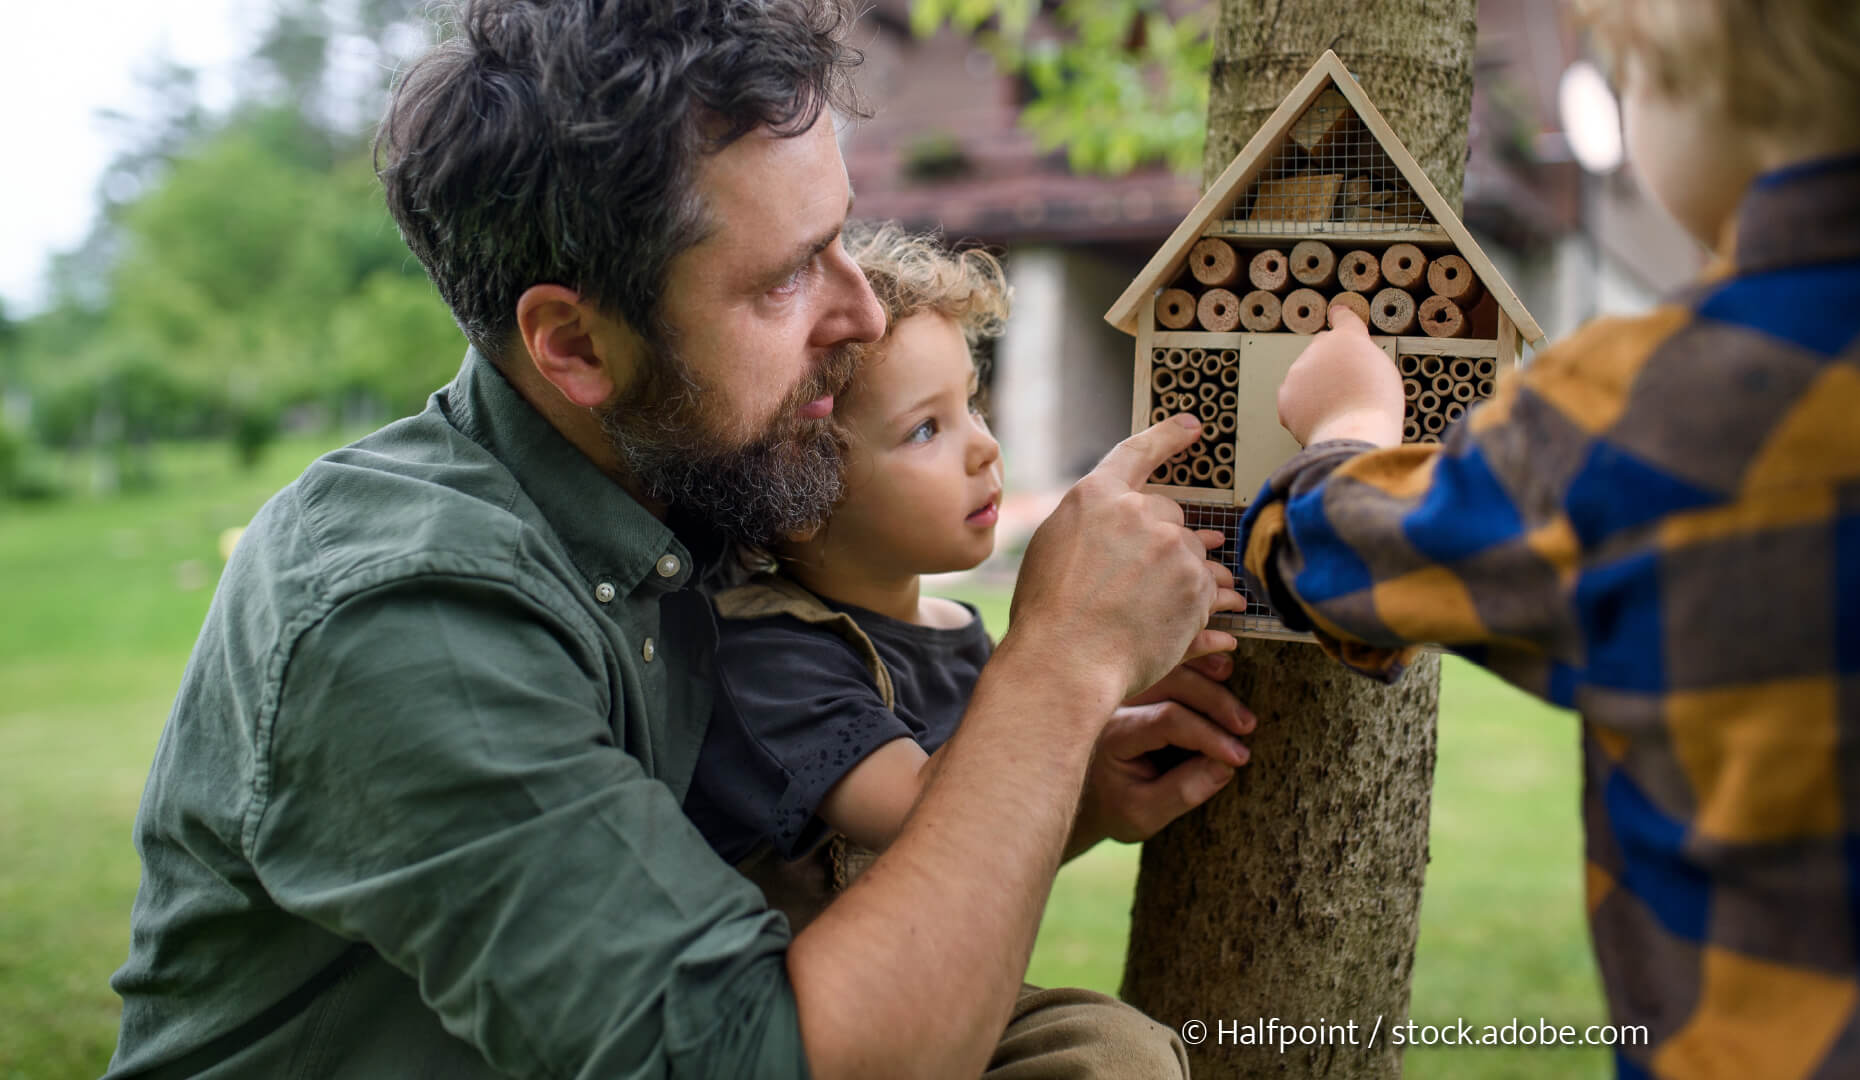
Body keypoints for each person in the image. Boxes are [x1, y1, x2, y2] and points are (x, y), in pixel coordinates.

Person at [100, 2, 1256, 1078]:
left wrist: (1067, 789)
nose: (858, 314)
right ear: (577, 347)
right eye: (787, 277)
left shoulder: (700, 487)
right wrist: (1057, 668)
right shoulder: (405, 615)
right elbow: (775, 1058)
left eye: (840, 240)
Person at [1238, 2, 1860, 1077]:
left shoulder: (1635, 413)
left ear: (1714, 92)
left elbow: (1331, 557)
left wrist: (1349, 429)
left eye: (1628, 82)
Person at [680, 224, 1250, 1074]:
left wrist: (1095, 793)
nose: (985, 445)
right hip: (817, 1033)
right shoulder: (768, 654)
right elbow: (926, 816)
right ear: (802, 501)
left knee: (1111, 1051)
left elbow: (996, 841)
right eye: (926, 431)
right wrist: (1070, 643)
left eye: (974, 402)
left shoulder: (955, 632)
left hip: (948, 996)